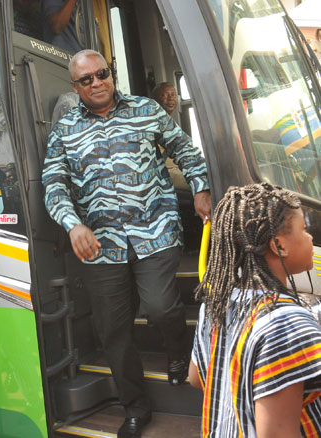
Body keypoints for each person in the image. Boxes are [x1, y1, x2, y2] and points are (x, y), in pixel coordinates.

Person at [42, 49, 211, 438]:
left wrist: (201, 188)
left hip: (156, 230)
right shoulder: (64, 129)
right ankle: (135, 408)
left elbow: (185, 150)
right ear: (75, 86)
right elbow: (53, 184)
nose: (97, 82)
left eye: (102, 73)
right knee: (113, 332)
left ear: (110, 73)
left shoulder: (146, 110)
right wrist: (72, 224)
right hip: (101, 245)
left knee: (161, 306)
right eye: (86, 79)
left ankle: (177, 351)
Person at [190, 182, 321, 437]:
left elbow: (196, 377)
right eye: (304, 230)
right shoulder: (287, 324)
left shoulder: (216, 305)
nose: (310, 238)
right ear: (279, 246)